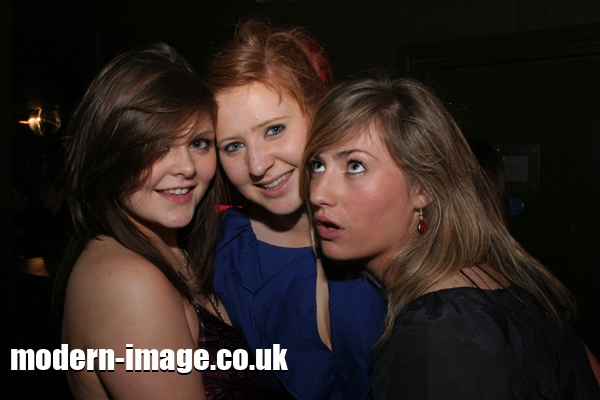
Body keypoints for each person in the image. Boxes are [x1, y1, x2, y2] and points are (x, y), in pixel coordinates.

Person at [303, 75, 600, 399]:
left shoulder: (442, 329)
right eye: (317, 165)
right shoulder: (494, 282)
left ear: (424, 187)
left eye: (355, 166)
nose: (318, 193)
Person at [54, 43, 259, 399]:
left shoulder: (171, 249)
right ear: (110, 154)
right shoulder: (128, 283)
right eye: (158, 145)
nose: (186, 167)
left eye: (199, 143)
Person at [205, 19, 386, 399]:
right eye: (233, 146)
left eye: (274, 130)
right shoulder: (219, 253)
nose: (257, 165)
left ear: (319, 113)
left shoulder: (386, 225)